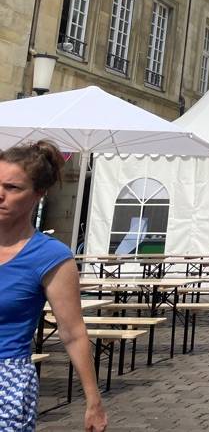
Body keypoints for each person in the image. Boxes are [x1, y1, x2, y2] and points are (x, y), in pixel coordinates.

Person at [0, 141, 108, 431]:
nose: (0, 195)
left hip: (6, 381)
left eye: (12, 188)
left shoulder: (49, 256)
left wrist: (93, 402)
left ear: (39, 193)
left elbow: (73, 333)